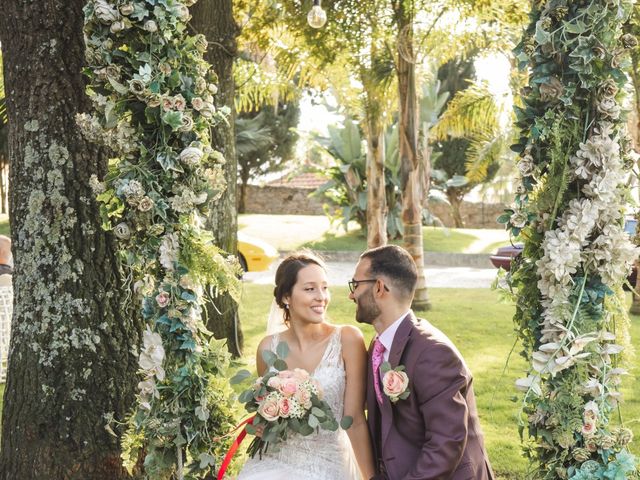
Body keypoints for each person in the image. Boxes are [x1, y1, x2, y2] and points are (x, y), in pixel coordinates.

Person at [349, 245, 494, 480]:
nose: (351, 294)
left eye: (355, 285)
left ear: (378, 287)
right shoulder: (378, 345)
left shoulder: (433, 353)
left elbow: (446, 443)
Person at [238, 251, 376, 480]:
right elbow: (267, 418)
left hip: (327, 462)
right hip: (277, 458)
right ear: (286, 297)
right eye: (310, 289)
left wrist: (372, 479)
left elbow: (355, 420)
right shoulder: (267, 348)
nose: (321, 296)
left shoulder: (348, 340)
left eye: (324, 287)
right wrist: (264, 424)